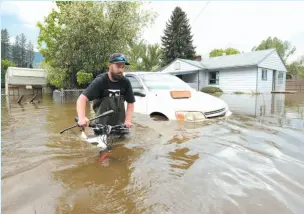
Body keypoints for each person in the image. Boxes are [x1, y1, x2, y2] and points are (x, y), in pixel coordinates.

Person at [76, 53, 135, 129]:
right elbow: (81, 99)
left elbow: (131, 103)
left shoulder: (126, 82)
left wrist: (128, 120)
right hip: (101, 126)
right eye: (118, 66)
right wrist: (82, 118)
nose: (120, 70)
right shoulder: (100, 81)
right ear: (109, 66)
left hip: (120, 126)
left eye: (123, 67)